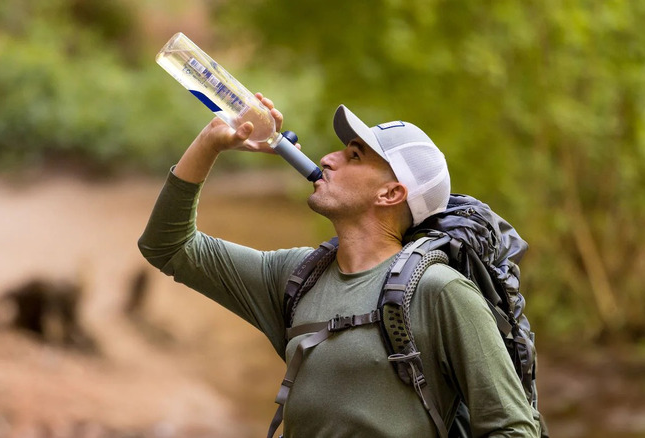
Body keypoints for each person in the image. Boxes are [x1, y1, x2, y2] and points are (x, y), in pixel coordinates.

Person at [138, 94, 539, 437]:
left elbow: (513, 427)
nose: (327, 158)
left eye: (353, 156)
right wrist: (210, 143)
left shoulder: (439, 290)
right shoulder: (297, 276)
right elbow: (168, 246)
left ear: (391, 192)